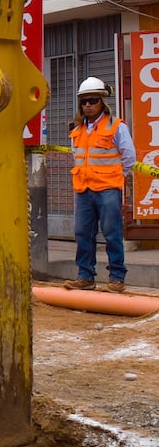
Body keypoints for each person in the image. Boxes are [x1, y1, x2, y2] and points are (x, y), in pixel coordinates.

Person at [64, 77, 136, 293]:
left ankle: (116, 278)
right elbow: (78, 156)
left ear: (102, 102)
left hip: (107, 189)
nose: (87, 105)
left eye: (92, 100)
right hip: (83, 189)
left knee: (112, 233)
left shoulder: (116, 126)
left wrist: (115, 176)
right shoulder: (77, 130)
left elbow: (129, 157)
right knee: (82, 233)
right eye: (84, 101)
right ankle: (85, 277)